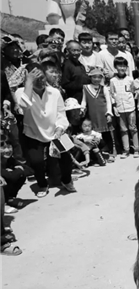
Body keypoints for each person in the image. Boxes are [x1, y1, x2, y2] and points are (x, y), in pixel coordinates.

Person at [15, 62, 75, 197]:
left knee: (66, 159)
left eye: (42, 77)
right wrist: (28, 82)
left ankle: (66, 180)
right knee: (37, 162)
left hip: (55, 131)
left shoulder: (54, 92)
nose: (41, 81)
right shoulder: (22, 93)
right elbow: (24, 106)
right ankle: (42, 184)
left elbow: (61, 114)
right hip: (34, 133)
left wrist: (60, 128)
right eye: (36, 79)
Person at [81, 67, 115, 160]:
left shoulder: (104, 88)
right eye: (94, 77)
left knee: (107, 134)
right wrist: (82, 109)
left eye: (99, 77)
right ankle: (98, 155)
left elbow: (108, 102)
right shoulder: (85, 88)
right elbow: (84, 100)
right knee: (95, 135)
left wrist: (109, 113)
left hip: (103, 115)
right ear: (90, 77)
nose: (97, 79)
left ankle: (110, 153)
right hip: (93, 115)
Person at [110, 56, 139, 158]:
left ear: (127, 67)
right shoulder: (113, 81)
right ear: (115, 67)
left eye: (124, 66)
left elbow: (134, 92)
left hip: (130, 108)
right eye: (119, 66)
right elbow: (112, 94)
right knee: (123, 129)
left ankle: (136, 149)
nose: (122, 68)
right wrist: (114, 106)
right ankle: (126, 150)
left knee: (133, 128)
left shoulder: (130, 79)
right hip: (120, 109)